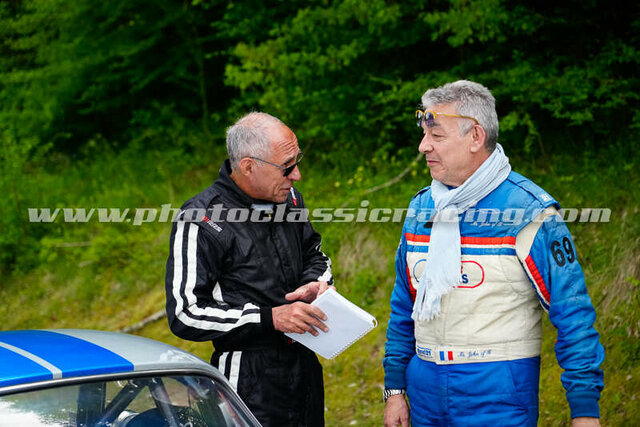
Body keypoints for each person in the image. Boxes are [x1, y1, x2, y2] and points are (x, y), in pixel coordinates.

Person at [382, 80, 604, 427]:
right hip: (424, 395)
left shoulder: (530, 212)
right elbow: (402, 307)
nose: (423, 145)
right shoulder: (421, 208)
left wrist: (585, 410)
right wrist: (394, 388)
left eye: (436, 135)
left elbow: (573, 312)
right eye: (424, 134)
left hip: (497, 397)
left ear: (475, 137)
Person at [165, 112, 333, 426]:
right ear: (248, 166)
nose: (297, 175)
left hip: (305, 364)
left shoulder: (290, 199)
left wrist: (316, 284)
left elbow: (316, 255)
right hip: (247, 376)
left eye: (297, 161)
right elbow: (185, 313)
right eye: (287, 167)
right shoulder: (201, 217)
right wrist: (269, 318)